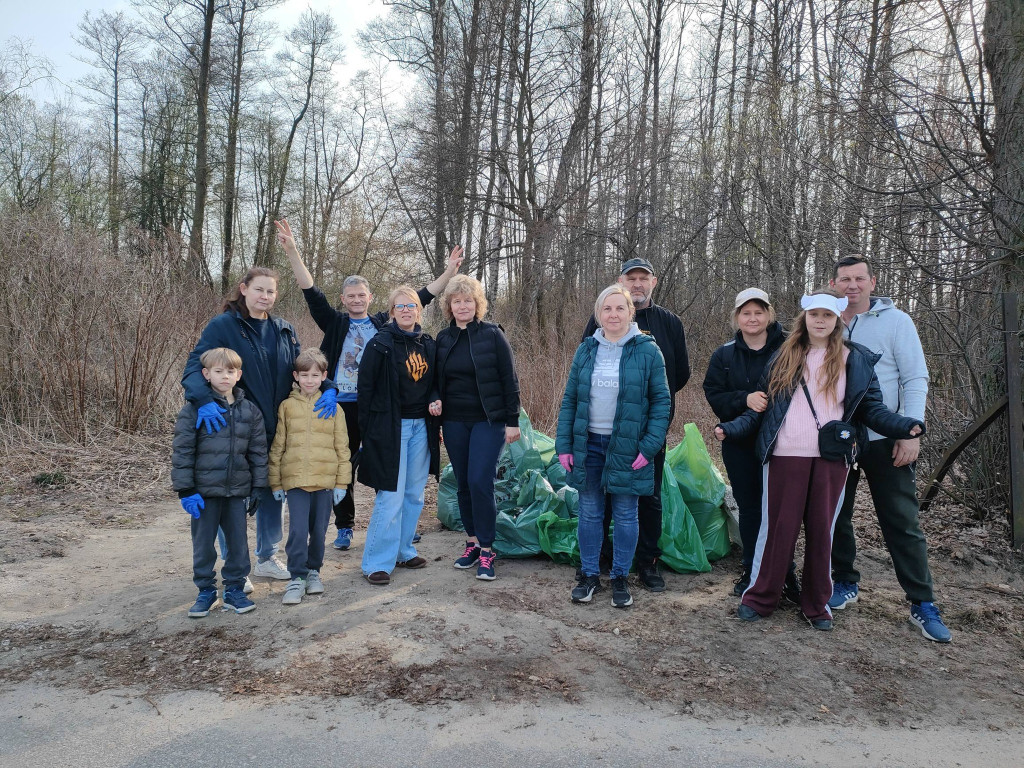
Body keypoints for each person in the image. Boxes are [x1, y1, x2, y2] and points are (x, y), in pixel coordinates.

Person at [715, 289, 925, 631]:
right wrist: (732, 427)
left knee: (822, 532)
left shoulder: (855, 359)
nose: (821, 321)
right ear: (805, 319)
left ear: (837, 319)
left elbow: (872, 408)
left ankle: (816, 605)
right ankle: (760, 597)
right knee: (777, 531)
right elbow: (766, 407)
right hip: (785, 455)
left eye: (828, 316)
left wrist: (905, 425)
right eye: (815, 315)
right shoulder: (784, 355)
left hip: (831, 458)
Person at [275, 219, 463, 551]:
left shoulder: (382, 323)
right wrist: (292, 251)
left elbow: (421, 297)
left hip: (379, 406)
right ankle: (345, 526)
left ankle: (394, 523)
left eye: (362, 295)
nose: (357, 300)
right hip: (340, 403)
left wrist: (448, 272)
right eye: (351, 296)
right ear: (344, 299)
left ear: (370, 296)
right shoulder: (335, 322)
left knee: (385, 462)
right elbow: (310, 291)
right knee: (342, 462)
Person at [182, 266, 339, 583]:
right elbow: (194, 368)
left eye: (271, 291)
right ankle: (233, 563)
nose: (265, 296)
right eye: (259, 289)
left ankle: (267, 557)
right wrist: (203, 401)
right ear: (244, 289)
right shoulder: (224, 326)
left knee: (270, 494)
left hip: (277, 428)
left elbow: (302, 368)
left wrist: (329, 386)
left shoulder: (284, 329)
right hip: (236, 428)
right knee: (233, 497)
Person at [829, 256, 952, 643]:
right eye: (845, 279)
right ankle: (844, 581)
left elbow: (916, 376)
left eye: (859, 278)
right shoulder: (825, 320)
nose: (852, 285)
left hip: (886, 438)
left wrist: (911, 431)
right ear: (833, 283)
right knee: (835, 515)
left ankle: (922, 602)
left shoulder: (897, 322)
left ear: (872, 281)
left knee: (901, 521)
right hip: (837, 439)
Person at [558, 285, 672, 608]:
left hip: (628, 446)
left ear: (629, 313)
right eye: (607, 309)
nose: (613, 315)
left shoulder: (648, 351)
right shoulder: (586, 350)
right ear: (599, 315)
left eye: (620, 308)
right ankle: (590, 575)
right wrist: (564, 444)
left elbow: (661, 403)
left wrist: (649, 447)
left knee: (625, 513)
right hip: (589, 443)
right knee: (590, 512)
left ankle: (621, 576)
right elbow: (570, 400)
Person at [582, 257, 689, 591]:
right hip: (602, 433)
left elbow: (680, 375)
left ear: (653, 283)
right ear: (621, 281)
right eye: (632, 278)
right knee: (605, 496)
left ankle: (647, 563)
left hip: (646, 435)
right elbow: (585, 368)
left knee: (648, 498)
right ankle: (603, 560)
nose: (638, 284)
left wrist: (651, 422)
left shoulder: (669, 323)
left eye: (644, 278)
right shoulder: (599, 323)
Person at [703, 288, 797, 598]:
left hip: (784, 443)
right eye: (746, 313)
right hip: (739, 443)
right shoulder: (724, 354)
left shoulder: (789, 349)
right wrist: (744, 399)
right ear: (737, 317)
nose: (752, 318)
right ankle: (751, 569)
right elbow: (715, 396)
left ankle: (786, 572)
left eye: (758, 312)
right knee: (751, 508)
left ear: (769, 314)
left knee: (782, 510)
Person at [430, 275, 521, 581]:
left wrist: (512, 421)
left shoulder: (493, 335)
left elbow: (509, 380)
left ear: (477, 304)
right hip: (455, 421)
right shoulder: (443, 339)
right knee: (464, 482)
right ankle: (471, 542)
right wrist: (436, 402)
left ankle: (487, 549)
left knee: (480, 480)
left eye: (468, 300)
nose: (463, 305)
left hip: (489, 420)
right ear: (449, 306)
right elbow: (434, 383)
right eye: (457, 301)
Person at [172, 347, 267, 617]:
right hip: (203, 492)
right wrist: (186, 489)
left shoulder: (250, 411)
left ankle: (235, 589)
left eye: (230, 371)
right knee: (203, 543)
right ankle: (205, 590)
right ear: (206, 374)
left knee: (238, 542)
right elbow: (182, 451)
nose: (224, 376)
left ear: (239, 375)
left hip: (237, 490)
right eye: (218, 371)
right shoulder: (193, 410)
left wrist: (258, 485)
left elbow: (258, 452)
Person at [357, 286, 442, 585]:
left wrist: (435, 398)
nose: (406, 310)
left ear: (419, 310)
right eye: (400, 306)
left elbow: (435, 382)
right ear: (391, 312)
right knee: (390, 495)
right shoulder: (380, 344)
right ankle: (377, 562)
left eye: (412, 305)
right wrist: (367, 434)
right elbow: (364, 390)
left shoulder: (428, 344)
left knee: (413, 494)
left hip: (422, 427)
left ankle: (404, 551)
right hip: (390, 428)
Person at [269, 350, 352, 605]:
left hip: (325, 482)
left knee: (318, 530)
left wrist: (341, 483)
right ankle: (297, 576)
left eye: (315, 375)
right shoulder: (286, 406)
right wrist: (275, 480)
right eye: (304, 375)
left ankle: (314, 571)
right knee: (297, 530)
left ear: (324, 376)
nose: (309, 380)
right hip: (295, 482)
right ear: (295, 376)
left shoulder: (335, 409)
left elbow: (343, 447)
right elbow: (278, 446)